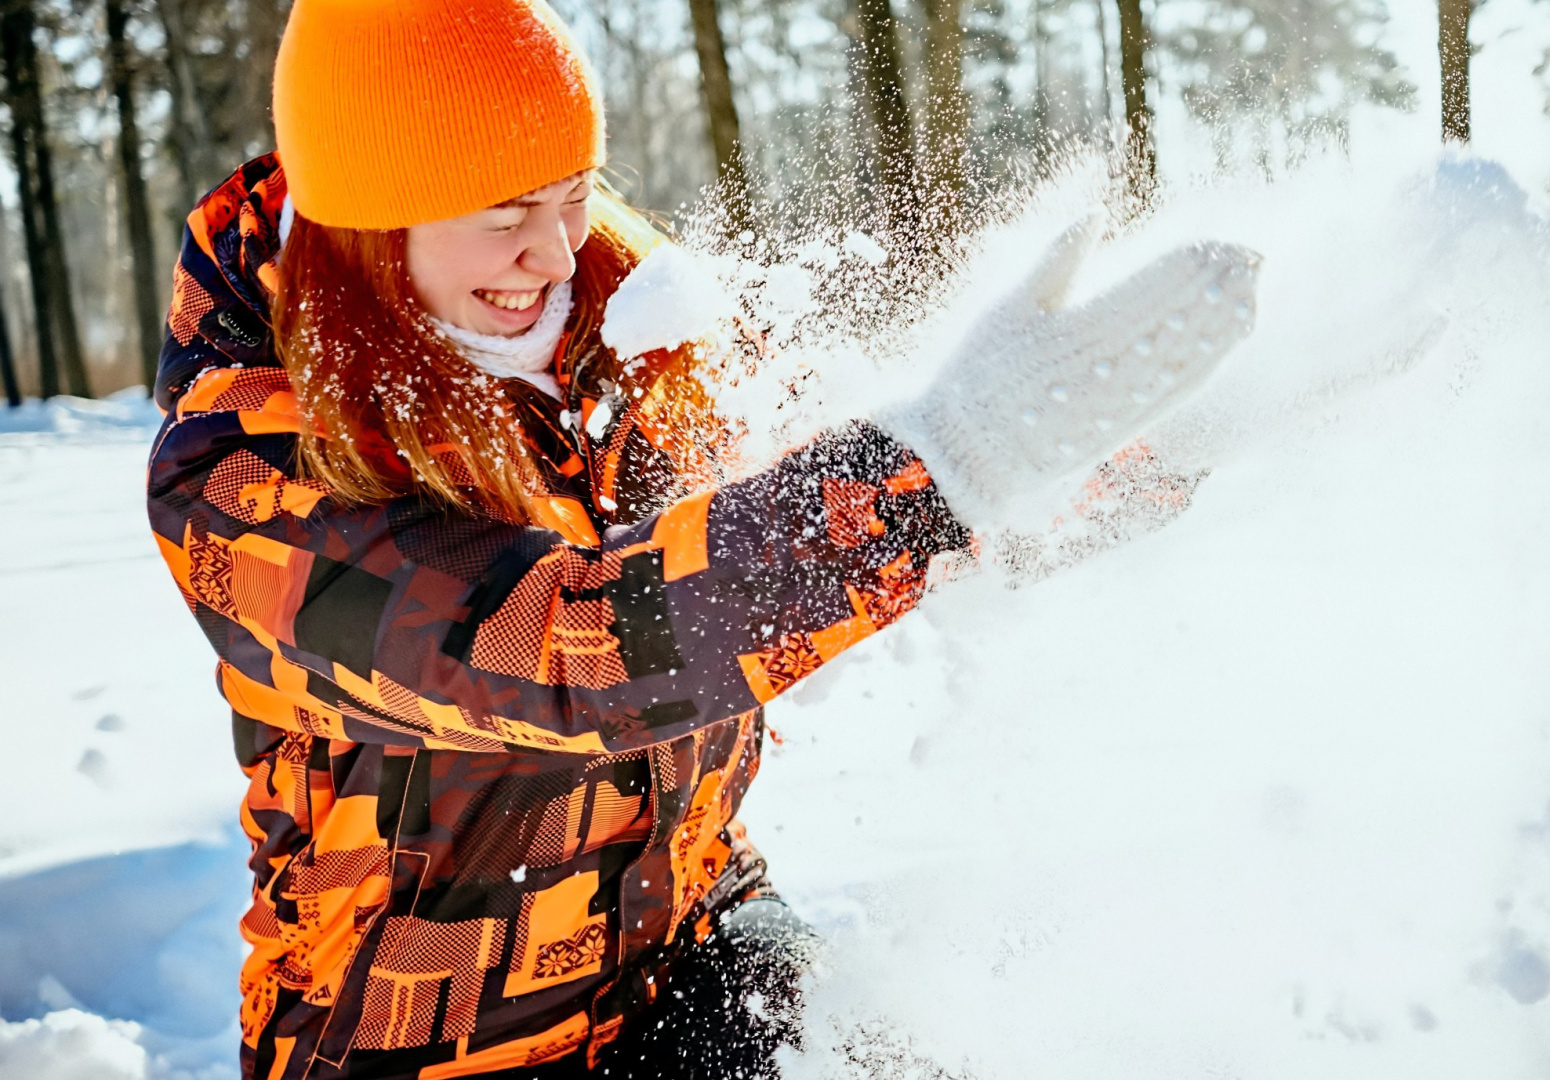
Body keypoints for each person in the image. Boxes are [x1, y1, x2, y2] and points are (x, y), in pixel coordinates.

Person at [144, 1, 1258, 1077]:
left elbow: (830, 522)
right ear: (371, 225)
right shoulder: (244, 473)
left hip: (689, 943)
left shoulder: (627, 315)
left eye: (572, 195)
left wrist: (1166, 449)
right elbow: (560, 650)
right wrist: (944, 463)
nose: (554, 251)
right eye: (501, 216)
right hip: (427, 1050)